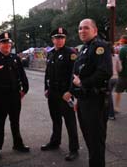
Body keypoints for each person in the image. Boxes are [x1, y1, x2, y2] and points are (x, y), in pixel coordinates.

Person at [63, 18, 112, 167]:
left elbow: (105, 72)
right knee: (89, 139)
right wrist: (74, 93)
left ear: (95, 30)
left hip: (96, 100)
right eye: (80, 28)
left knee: (96, 141)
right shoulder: (85, 48)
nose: (82, 31)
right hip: (85, 100)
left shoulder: (100, 47)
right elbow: (77, 73)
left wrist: (83, 83)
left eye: (86, 28)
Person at [0, 32, 29, 160]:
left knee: (15, 122)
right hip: (0, 98)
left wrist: (24, 90)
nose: (7, 45)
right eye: (4, 43)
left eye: (8, 43)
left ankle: (18, 144)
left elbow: (22, 75)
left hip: (15, 96)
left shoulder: (15, 58)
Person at [41, 27, 79, 161]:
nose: (60, 40)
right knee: (55, 120)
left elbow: (74, 75)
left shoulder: (71, 53)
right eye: (57, 38)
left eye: (62, 38)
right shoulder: (51, 54)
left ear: (65, 39)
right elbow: (47, 73)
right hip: (52, 93)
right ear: (53, 40)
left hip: (65, 94)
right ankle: (55, 142)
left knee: (70, 122)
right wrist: (46, 88)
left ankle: (74, 149)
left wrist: (70, 92)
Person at [108, 46, 122, 120]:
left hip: (108, 78)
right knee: (108, 95)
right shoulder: (116, 56)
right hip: (116, 78)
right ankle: (109, 112)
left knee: (108, 96)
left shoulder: (105, 56)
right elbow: (120, 68)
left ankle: (111, 114)